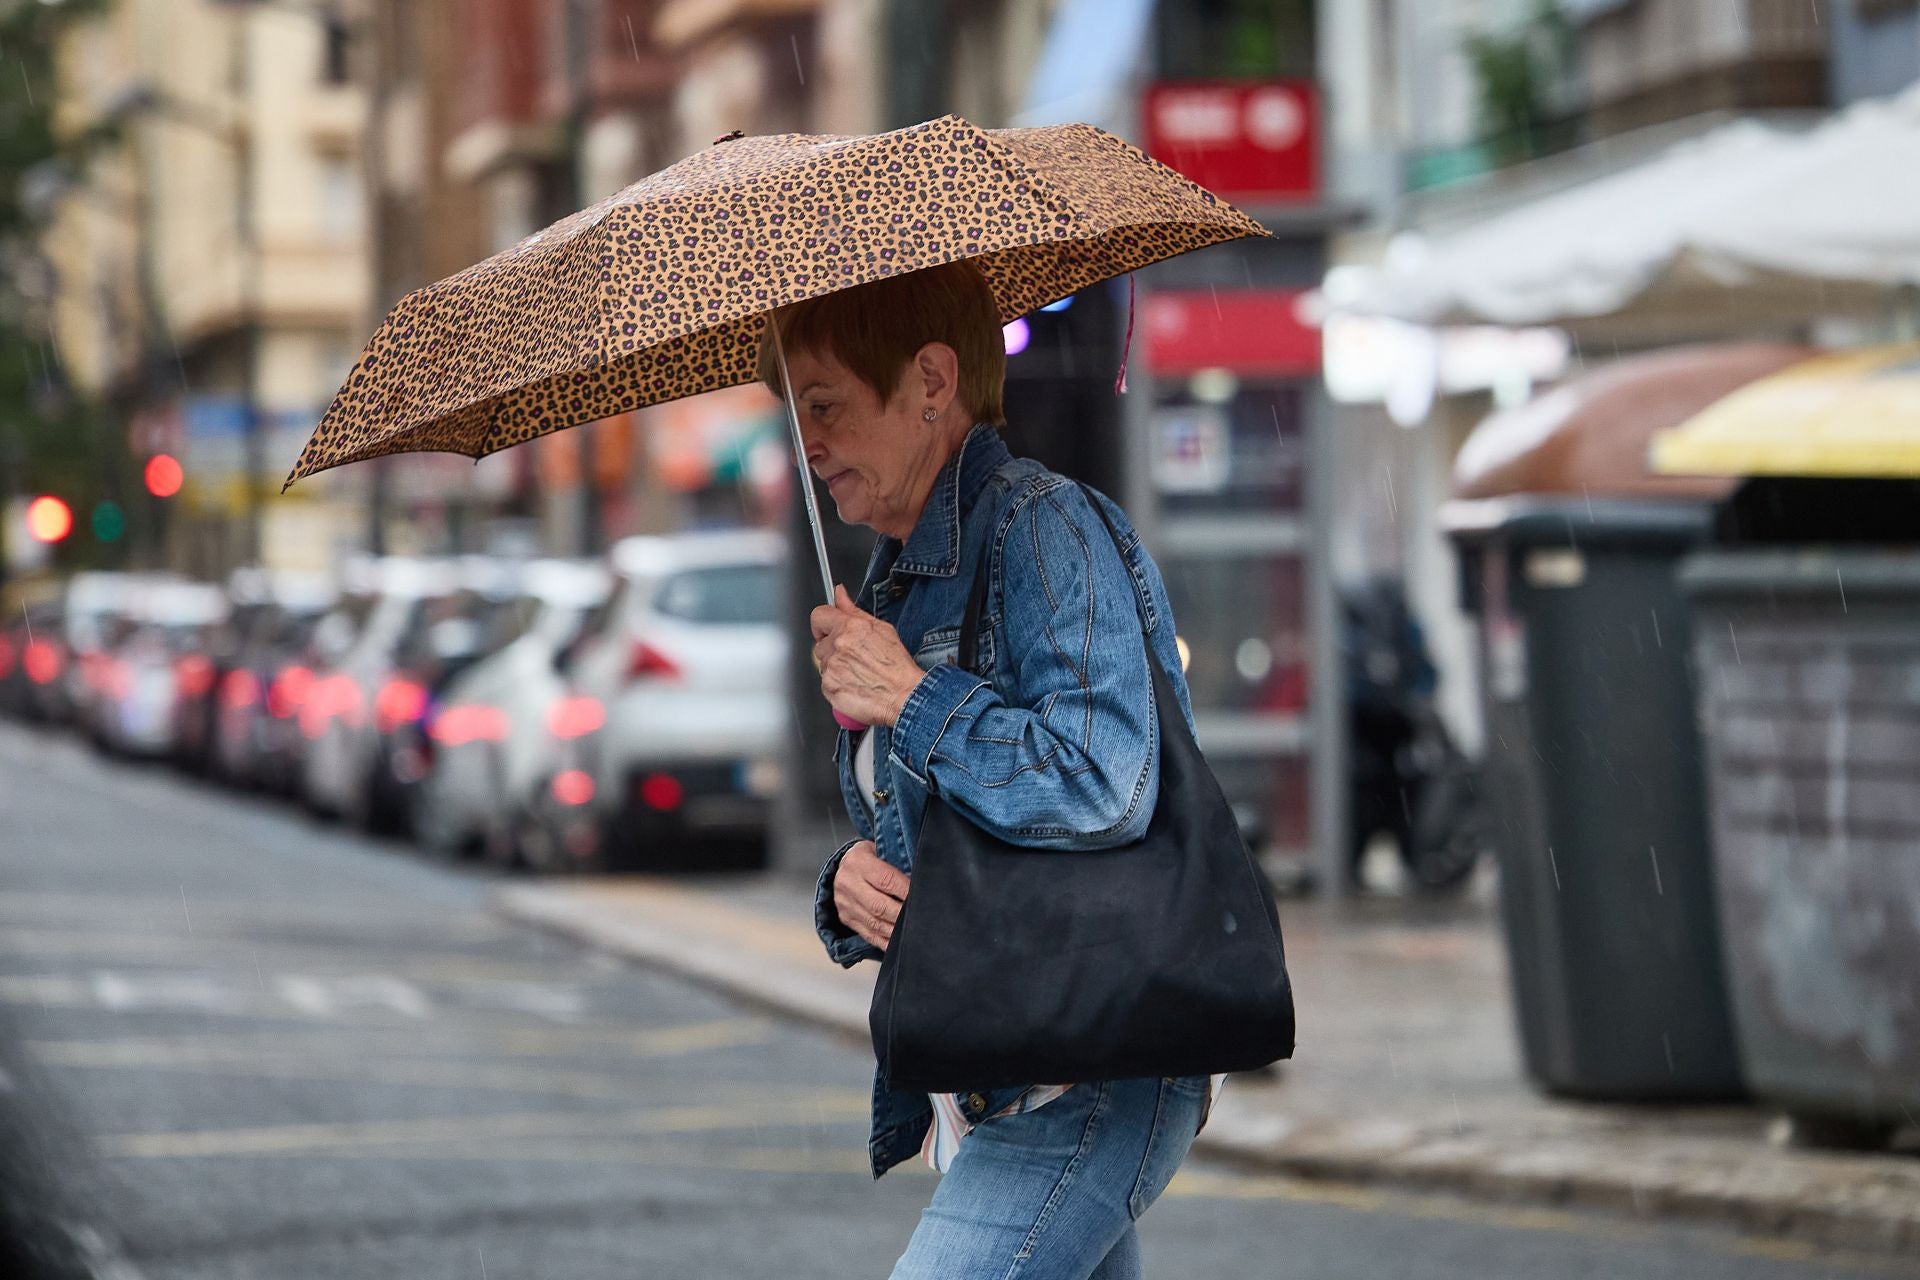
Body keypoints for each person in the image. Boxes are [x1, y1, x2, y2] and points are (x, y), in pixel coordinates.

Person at [762, 261, 1218, 1280]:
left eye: (825, 406)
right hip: (1005, 1051)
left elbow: (1101, 783)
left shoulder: (1043, 528)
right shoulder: (900, 573)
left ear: (931, 380)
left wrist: (909, 694)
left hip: (1090, 1053)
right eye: (797, 415)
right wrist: (846, 888)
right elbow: (934, 830)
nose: (808, 444)